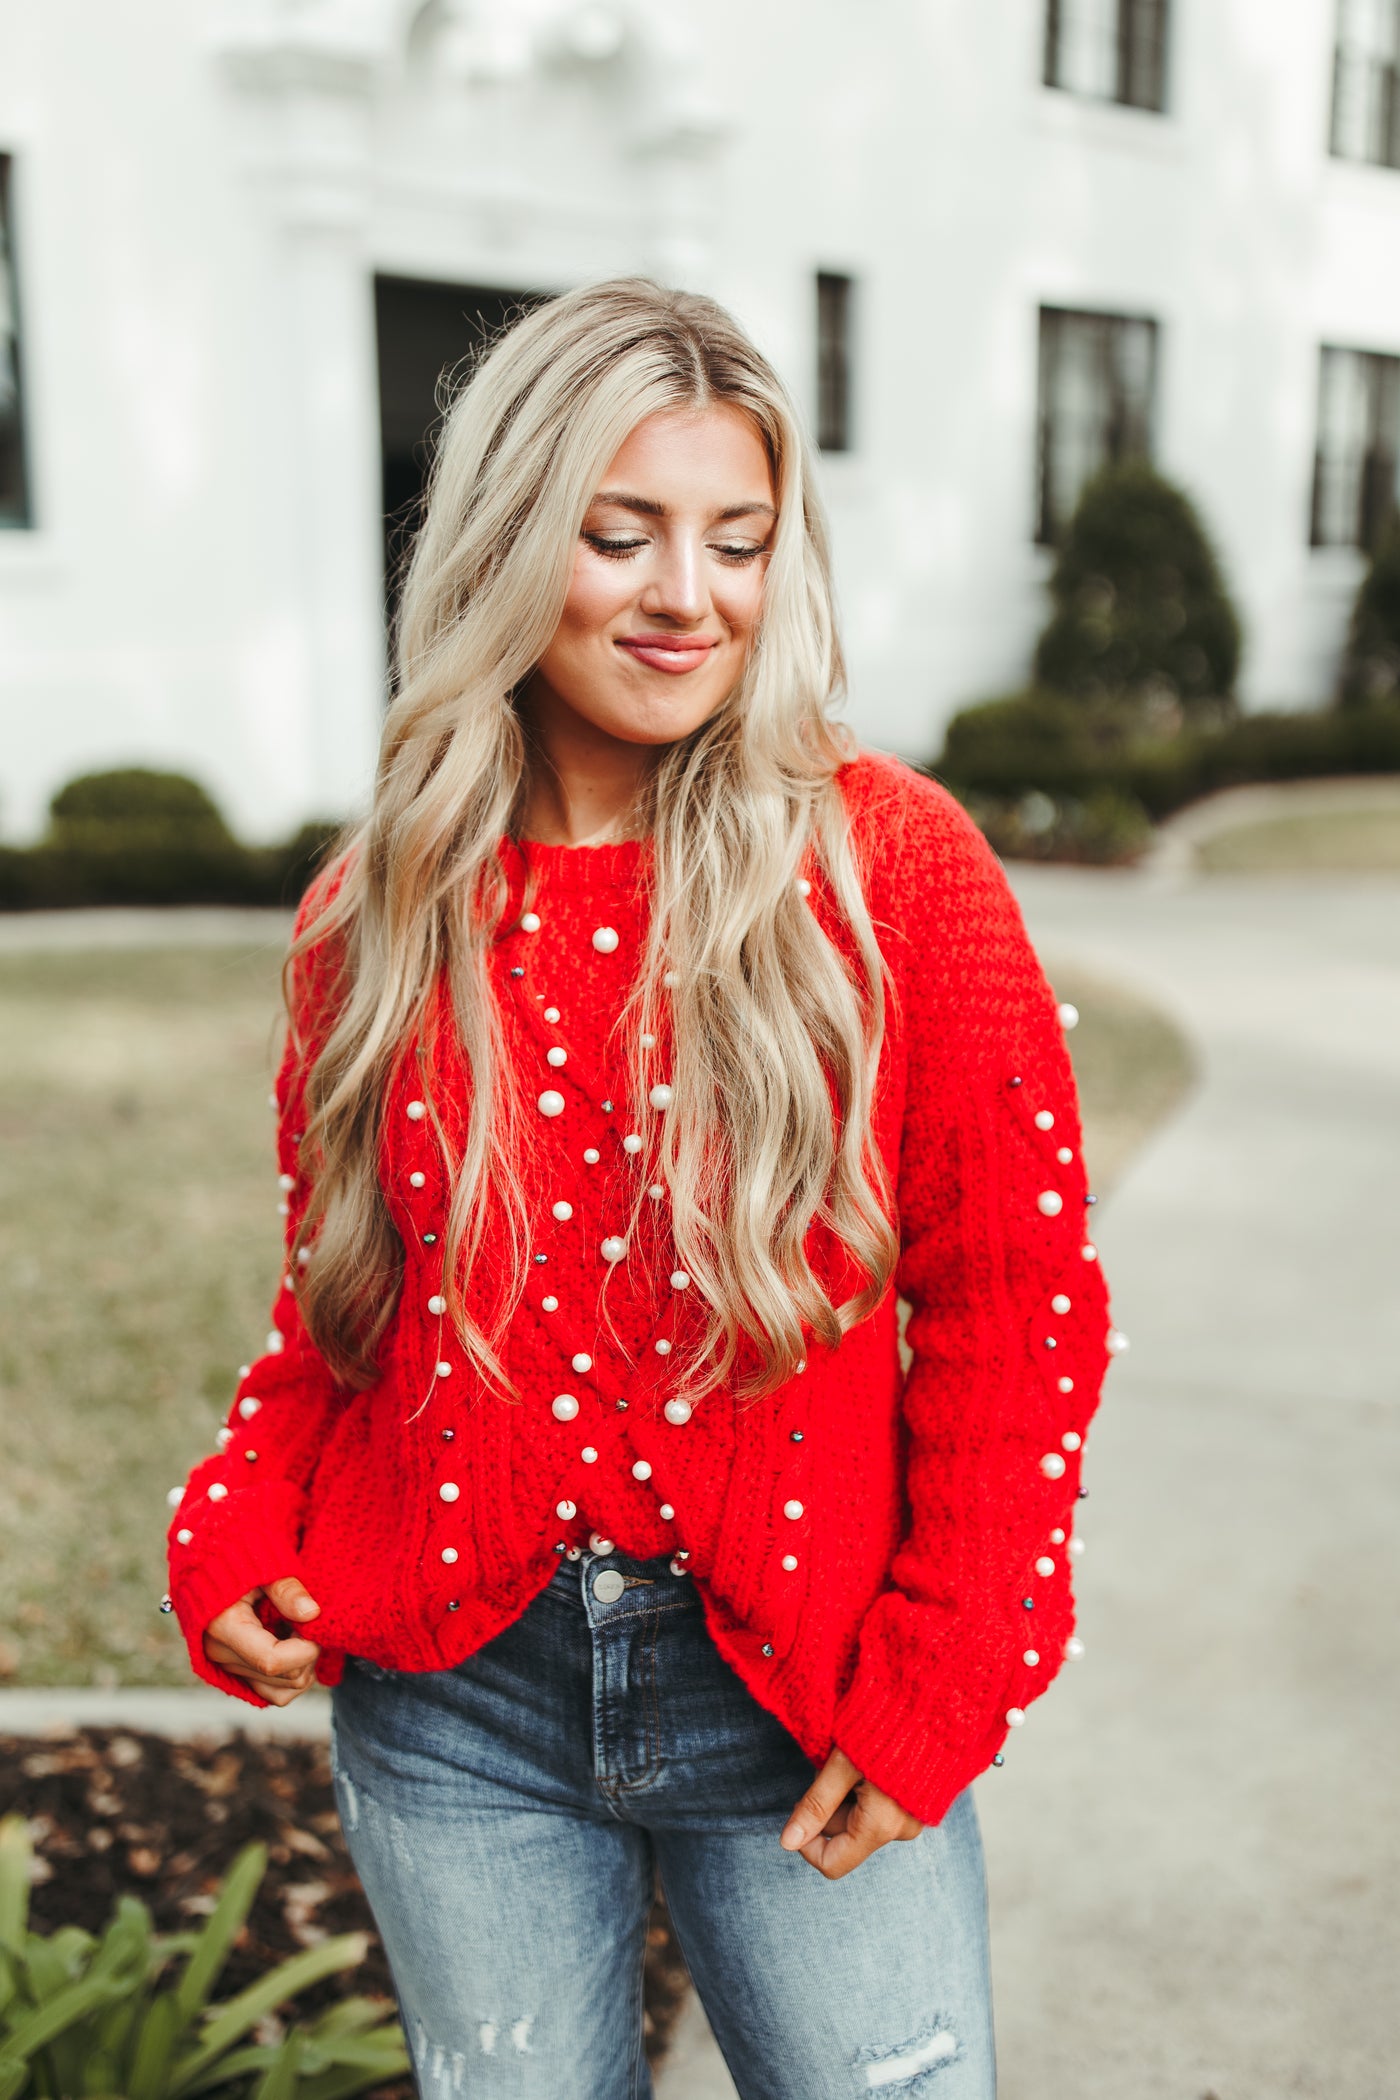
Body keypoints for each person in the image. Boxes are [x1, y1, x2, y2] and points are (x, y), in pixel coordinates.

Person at [166, 278, 1111, 2099]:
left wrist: (949, 1669)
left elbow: (1018, 1310)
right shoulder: (372, 916)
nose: (691, 596)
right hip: (456, 1708)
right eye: (624, 536)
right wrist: (237, 1523)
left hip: (809, 1696)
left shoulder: (892, 873)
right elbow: (341, 1307)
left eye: (738, 540)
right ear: (515, 547)